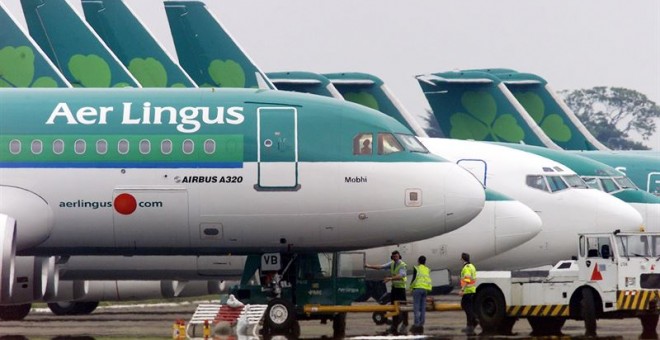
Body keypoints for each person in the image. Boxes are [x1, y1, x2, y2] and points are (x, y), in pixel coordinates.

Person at [366, 250, 408, 335]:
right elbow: (381, 267)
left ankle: (405, 324)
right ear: (392, 257)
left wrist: (390, 278)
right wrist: (368, 266)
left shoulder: (402, 265)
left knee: (403, 308)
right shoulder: (392, 264)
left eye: (397, 256)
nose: (396, 257)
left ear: (399, 256)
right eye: (394, 256)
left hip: (401, 289)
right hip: (394, 289)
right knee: (393, 307)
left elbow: (401, 275)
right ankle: (394, 326)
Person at [410, 255, 432, 335]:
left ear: (418, 261)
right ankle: (421, 323)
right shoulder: (427, 269)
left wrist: (411, 288)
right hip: (424, 290)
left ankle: (417, 324)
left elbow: (414, 279)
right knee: (423, 307)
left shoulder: (416, 268)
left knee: (416, 307)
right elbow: (427, 279)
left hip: (417, 289)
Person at [460, 252, 478, 335]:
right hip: (472, 290)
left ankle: (471, 323)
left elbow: (467, 279)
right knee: (468, 307)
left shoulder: (466, 268)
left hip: (467, 290)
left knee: (466, 307)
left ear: (462, 259)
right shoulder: (472, 266)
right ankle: (471, 323)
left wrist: (462, 290)